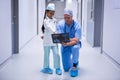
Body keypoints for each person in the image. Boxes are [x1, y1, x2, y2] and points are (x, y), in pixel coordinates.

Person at [57, 9, 82, 77]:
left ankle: (74, 65)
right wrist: (63, 42)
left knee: (75, 48)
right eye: (65, 17)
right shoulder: (60, 24)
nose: (66, 19)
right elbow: (59, 37)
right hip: (64, 45)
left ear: (72, 17)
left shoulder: (77, 25)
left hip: (74, 44)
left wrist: (68, 41)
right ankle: (74, 61)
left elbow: (76, 40)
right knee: (66, 69)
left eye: (68, 17)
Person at [41, 3, 62, 75]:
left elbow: (57, 28)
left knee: (56, 54)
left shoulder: (55, 20)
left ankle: (57, 68)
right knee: (46, 55)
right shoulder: (45, 21)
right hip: (47, 41)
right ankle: (46, 68)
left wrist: (58, 33)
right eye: (50, 13)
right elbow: (48, 27)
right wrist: (54, 32)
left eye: (53, 13)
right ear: (47, 12)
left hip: (54, 40)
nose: (52, 15)